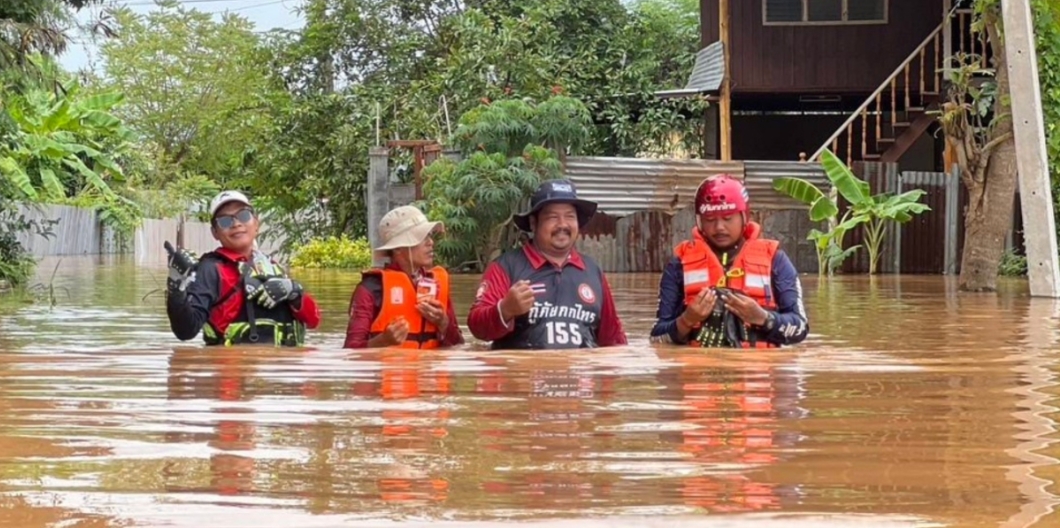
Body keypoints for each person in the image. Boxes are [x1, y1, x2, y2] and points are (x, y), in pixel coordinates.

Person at [650, 174, 809, 348]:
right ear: (699, 221)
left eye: (727, 218)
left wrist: (763, 318)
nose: (719, 227)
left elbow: (800, 329)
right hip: (699, 371)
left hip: (760, 372)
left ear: (744, 217)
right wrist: (687, 320)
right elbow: (657, 337)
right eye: (710, 219)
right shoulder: (678, 264)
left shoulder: (775, 260)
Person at [467, 179, 627, 349]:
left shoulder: (593, 270)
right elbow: (476, 327)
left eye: (570, 216)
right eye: (552, 217)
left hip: (581, 372)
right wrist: (505, 309)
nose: (563, 224)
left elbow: (613, 339)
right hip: (523, 372)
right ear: (533, 223)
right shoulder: (506, 267)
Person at [166, 190, 321, 346]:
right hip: (235, 366)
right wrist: (176, 286)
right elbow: (185, 331)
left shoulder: (272, 266)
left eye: (244, 216)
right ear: (215, 233)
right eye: (225, 221)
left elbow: (313, 321)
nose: (236, 224)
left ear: (256, 224)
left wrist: (294, 292)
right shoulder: (210, 269)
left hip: (282, 367)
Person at [344, 205, 464, 349]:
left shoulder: (435, 285)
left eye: (429, 236)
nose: (430, 243)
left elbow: (459, 346)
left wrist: (443, 323)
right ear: (398, 249)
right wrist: (382, 341)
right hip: (389, 370)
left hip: (429, 371)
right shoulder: (370, 289)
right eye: (421, 237)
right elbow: (351, 352)